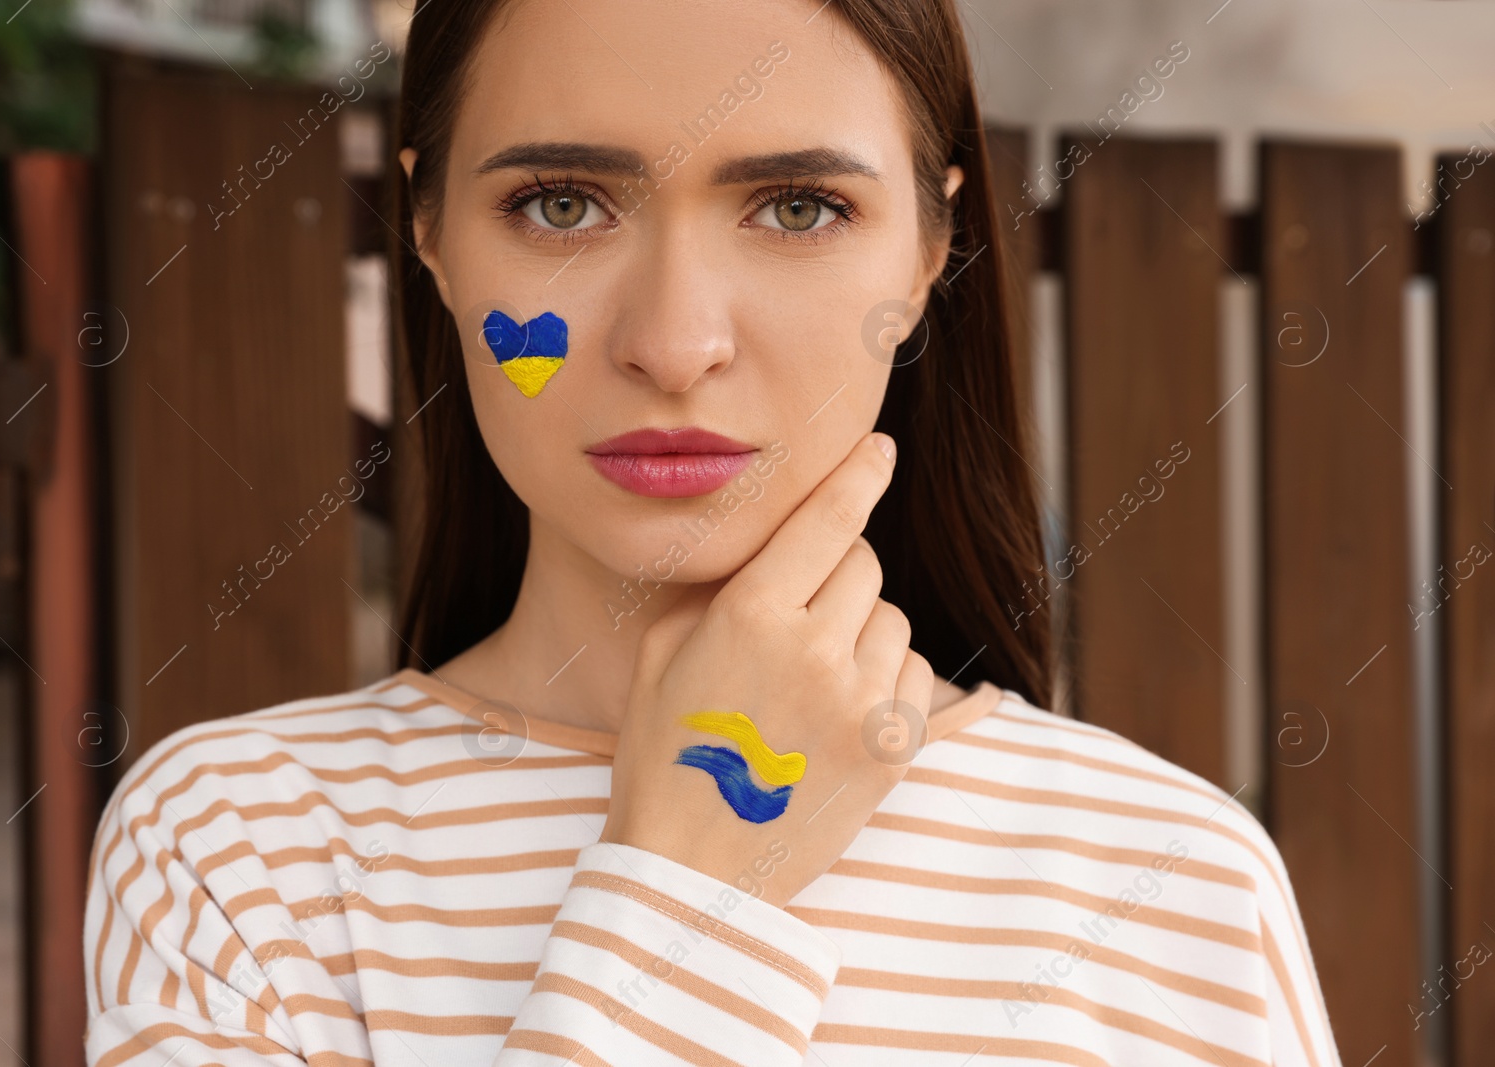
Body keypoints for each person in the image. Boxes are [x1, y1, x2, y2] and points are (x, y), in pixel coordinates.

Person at [83, 0, 1344, 1063]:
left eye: (797, 207)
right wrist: (688, 888)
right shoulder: (234, 850)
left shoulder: (1170, 871)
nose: (675, 344)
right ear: (429, 232)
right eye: (561, 203)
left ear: (930, 246)